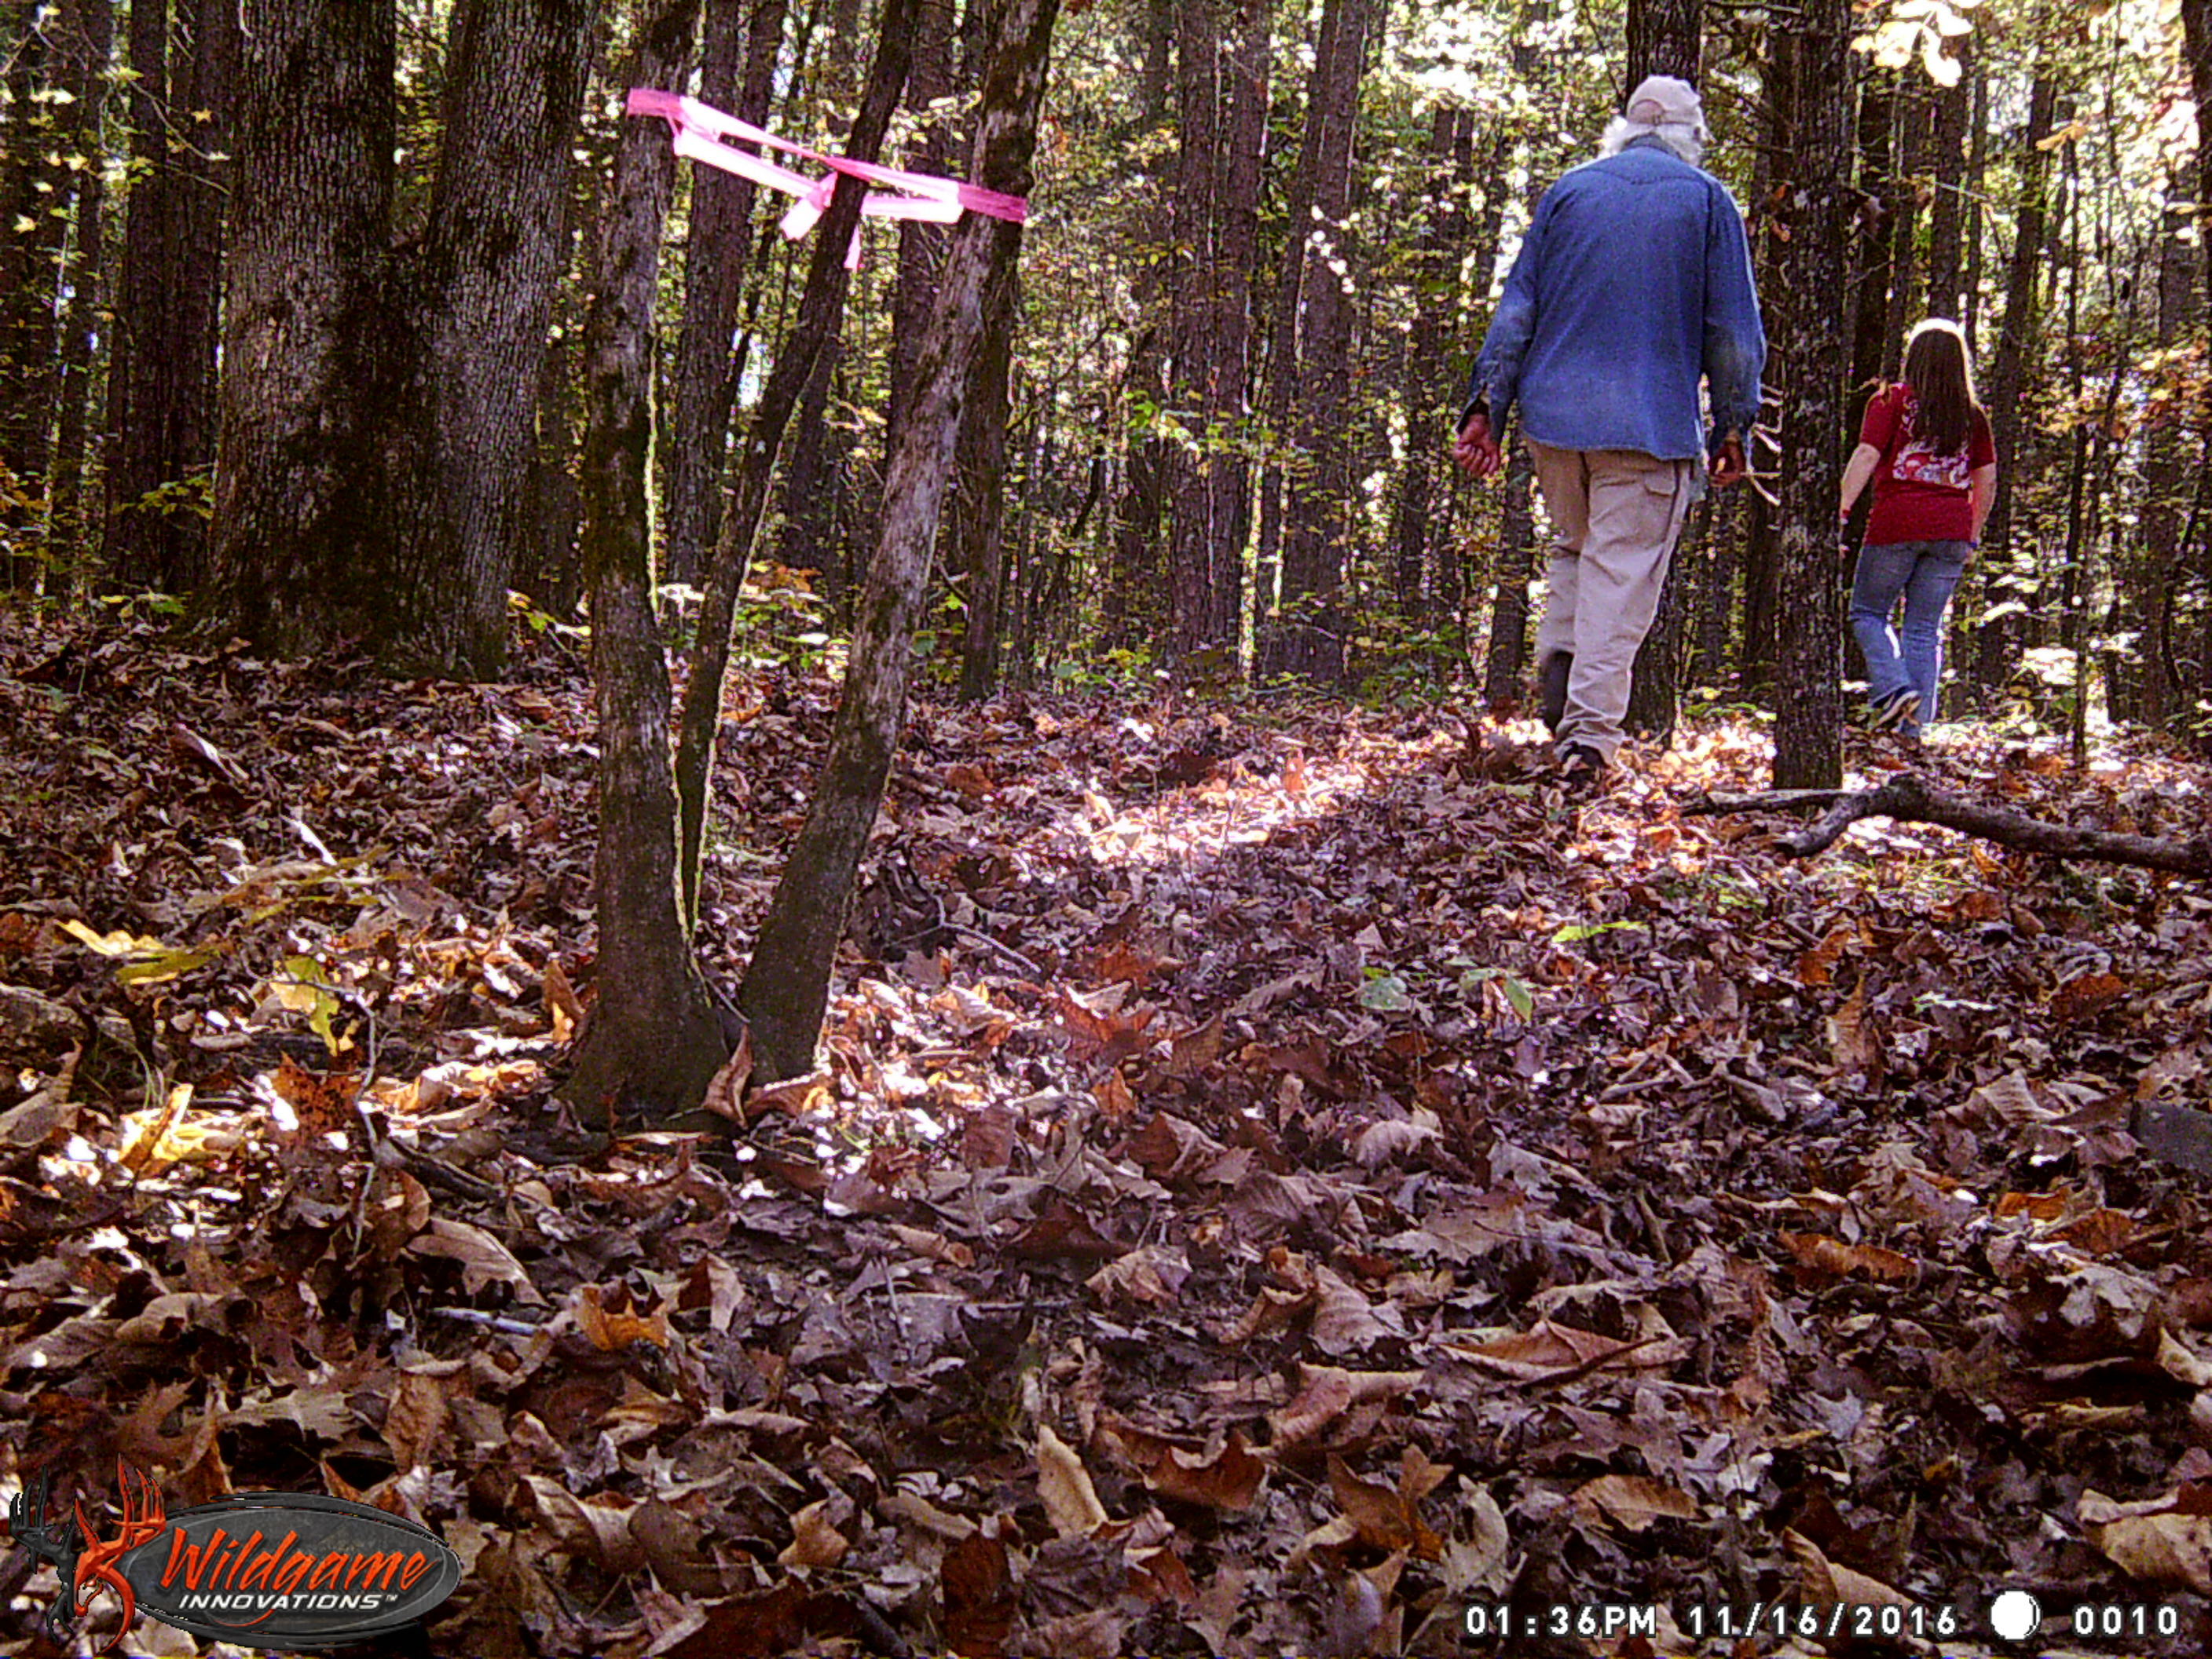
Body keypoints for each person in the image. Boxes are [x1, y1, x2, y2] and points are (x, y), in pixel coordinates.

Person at [1452, 74, 1764, 785]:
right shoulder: (1707, 200)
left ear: (1625, 129)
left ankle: (1562, 659)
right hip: (1648, 422)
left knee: (1578, 547)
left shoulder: (1568, 192)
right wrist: (1733, 424)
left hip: (1555, 423)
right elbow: (1733, 333)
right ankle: (1589, 740)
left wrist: (1487, 408)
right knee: (1621, 572)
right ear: (1691, 137)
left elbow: (1517, 310)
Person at [1835, 318, 1996, 738]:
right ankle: (1913, 736)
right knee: (1923, 630)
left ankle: (1894, 689)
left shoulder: (1890, 400)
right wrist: (1972, 535)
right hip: (1951, 530)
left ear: (1914, 359)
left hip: (1897, 523)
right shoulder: (1971, 416)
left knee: (1868, 613)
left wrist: (1841, 510)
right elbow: (1987, 479)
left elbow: (1867, 454)